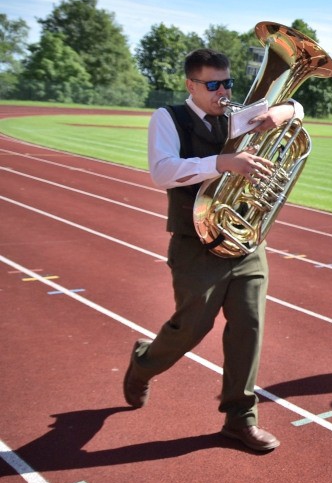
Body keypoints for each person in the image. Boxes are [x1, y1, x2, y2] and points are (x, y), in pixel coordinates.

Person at [122, 48, 303, 453]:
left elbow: (296, 106)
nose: (223, 91)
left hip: (246, 237)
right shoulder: (168, 118)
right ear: (191, 85)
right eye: (213, 85)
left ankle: (240, 418)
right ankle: (143, 363)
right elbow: (162, 171)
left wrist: (285, 112)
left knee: (249, 324)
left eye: (228, 83)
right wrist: (222, 162)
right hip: (194, 242)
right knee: (191, 327)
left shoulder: (235, 115)